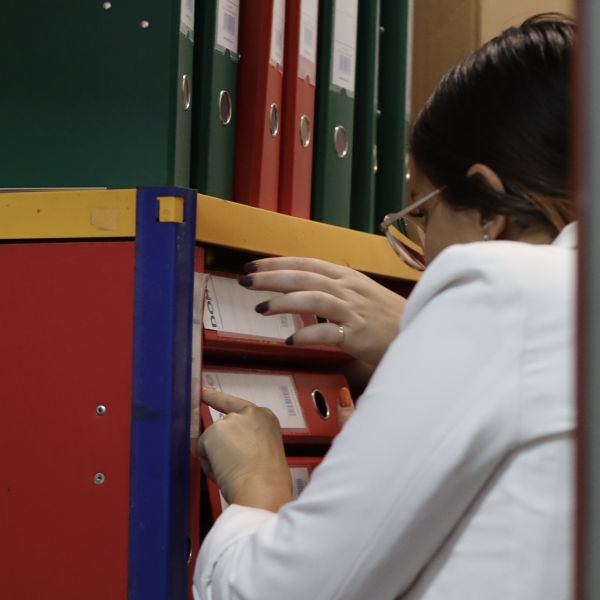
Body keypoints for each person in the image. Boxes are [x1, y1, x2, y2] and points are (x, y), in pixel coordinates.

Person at [193, 13, 576, 600]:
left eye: (421, 213)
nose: (421, 255)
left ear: (486, 204)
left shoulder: (502, 291)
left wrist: (257, 489)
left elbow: (278, 591)